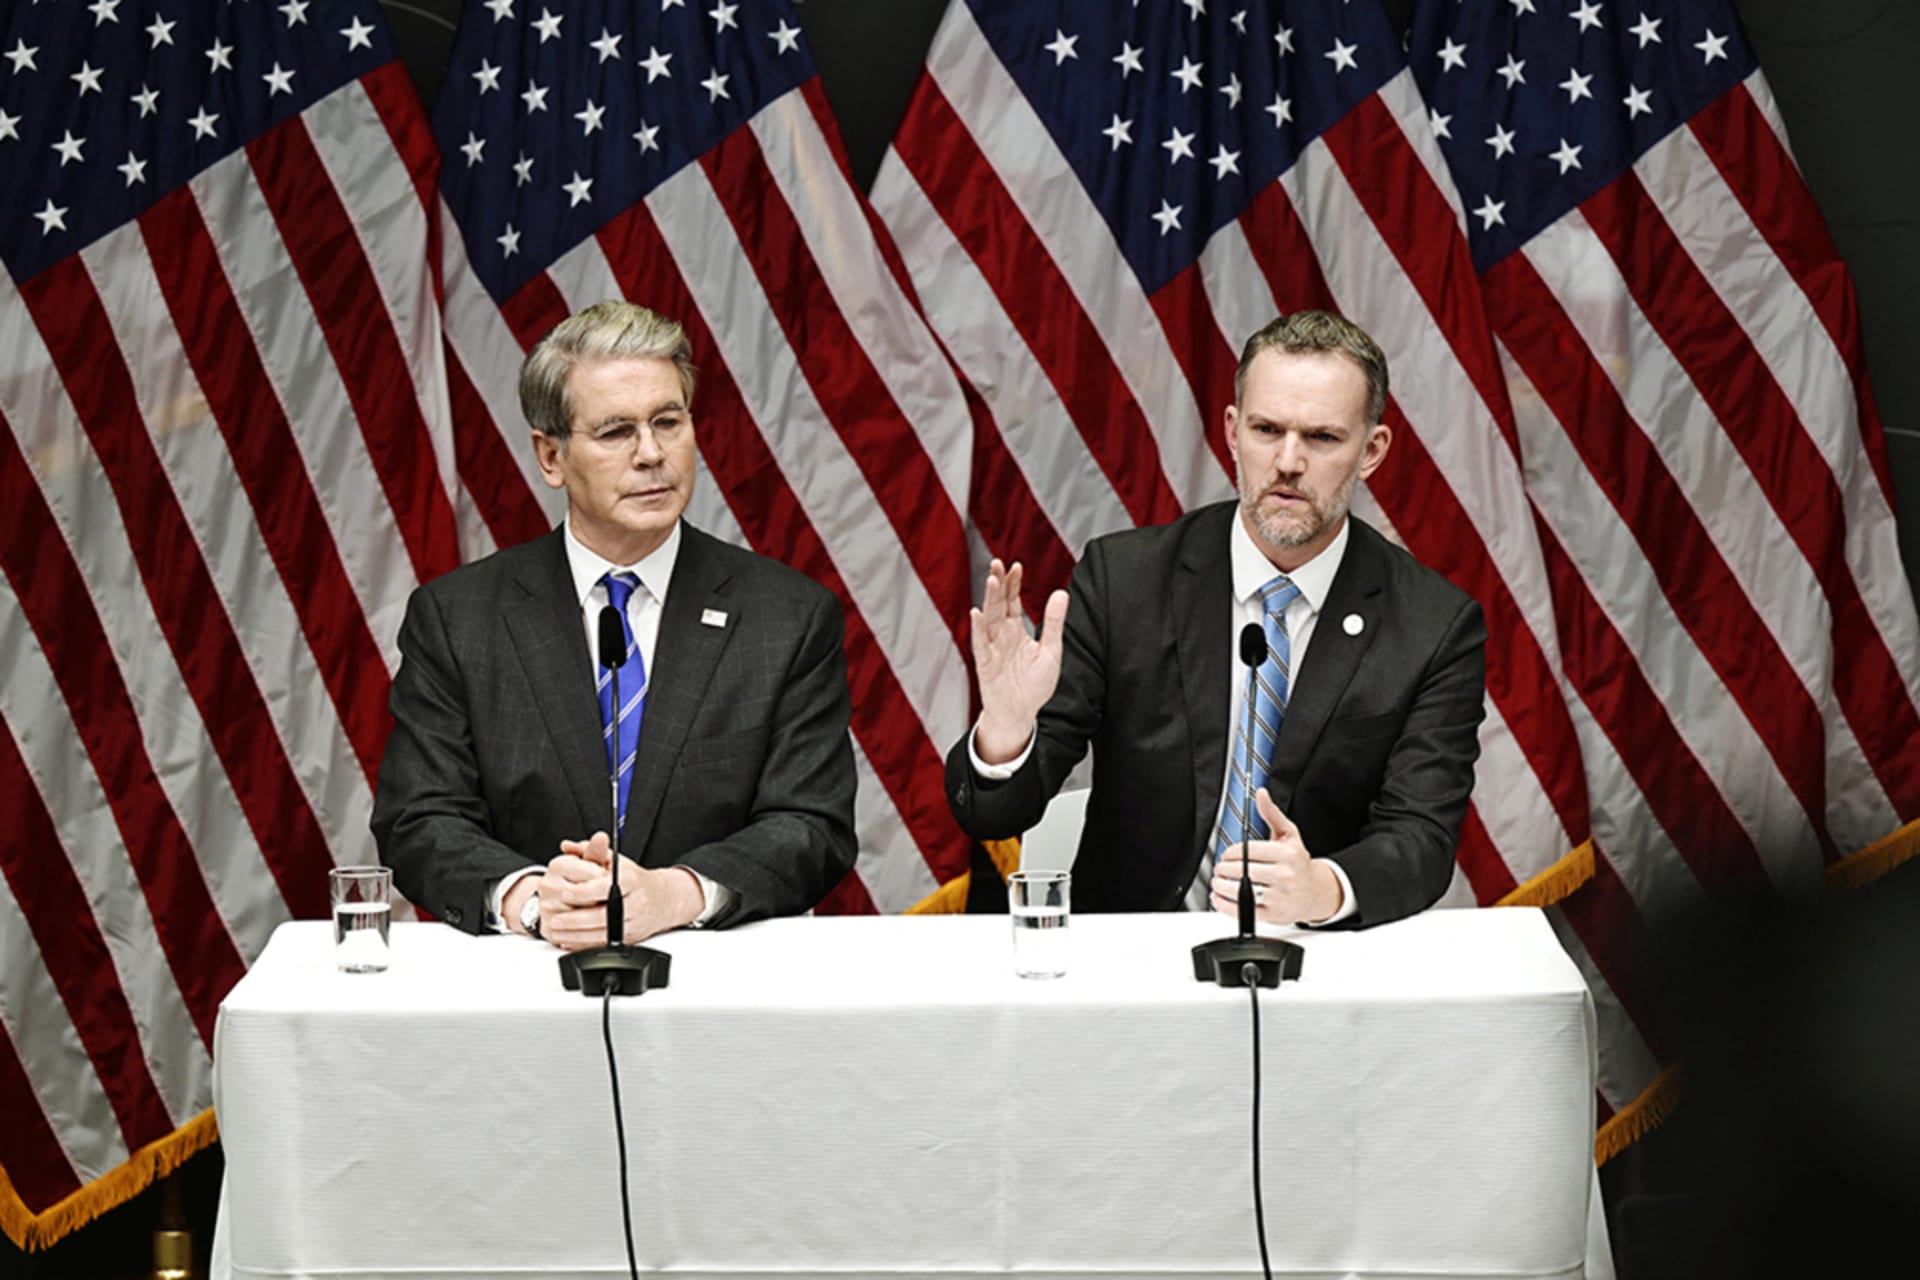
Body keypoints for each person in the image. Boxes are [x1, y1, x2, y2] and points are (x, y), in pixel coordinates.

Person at [947, 311, 1486, 928]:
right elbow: (994, 814)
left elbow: (1421, 836)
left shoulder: (1433, 626)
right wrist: (1007, 732)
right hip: (1133, 955)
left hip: (1315, 958)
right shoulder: (1125, 583)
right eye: (1267, 429)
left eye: (1321, 438)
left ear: (1371, 451)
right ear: (1232, 431)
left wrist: (1324, 889)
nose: (1288, 461)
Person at [373, 301, 857, 948]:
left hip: (721, 982)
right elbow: (418, 817)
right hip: (529, 979)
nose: (652, 453)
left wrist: (672, 895)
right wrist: (536, 899)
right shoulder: (458, 619)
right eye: (615, 432)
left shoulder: (787, 617)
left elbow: (813, 824)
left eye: (668, 422)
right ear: (551, 457)